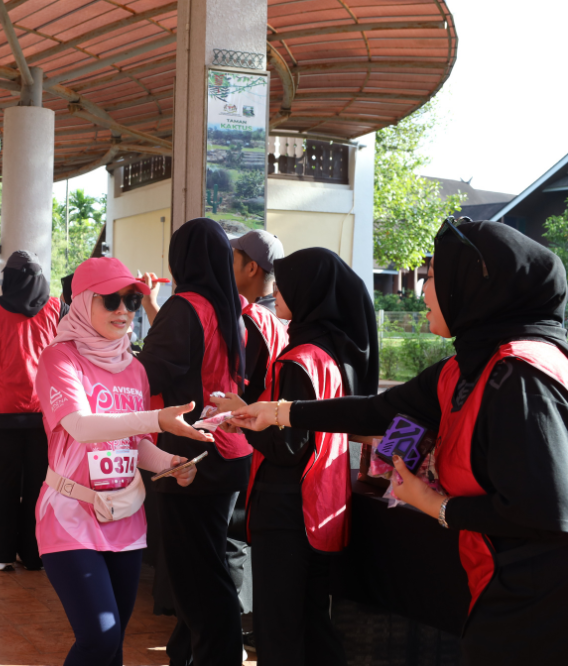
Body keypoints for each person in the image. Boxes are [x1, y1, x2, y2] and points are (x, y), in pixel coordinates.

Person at [228, 221, 568, 666]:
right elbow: (379, 410)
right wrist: (278, 413)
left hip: (540, 595)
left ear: (473, 285)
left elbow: (543, 510)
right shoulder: (467, 365)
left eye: (433, 276)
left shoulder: (519, 375)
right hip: (499, 578)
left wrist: (435, 505)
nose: (422, 290)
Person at [34, 256, 206, 666]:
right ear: (83, 302)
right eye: (111, 300)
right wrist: (157, 418)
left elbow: (135, 442)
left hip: (126, 518)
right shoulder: (60, 358)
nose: (124, 310)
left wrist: (169, 462)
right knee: (99, 638)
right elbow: (80, 426)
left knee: (113, 647)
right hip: (69, 515)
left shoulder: (135, 369)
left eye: (132, 300)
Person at [214, 247, 378, 666]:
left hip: (286, 507)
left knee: (279, 628)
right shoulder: (334, 352)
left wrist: (245, 421)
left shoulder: (299, 360)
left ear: (308, 292)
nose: (276, 292)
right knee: (313, 622)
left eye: (285, 286)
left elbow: (287, 446)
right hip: (323, 504)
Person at [134, 218, 248, 665]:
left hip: (192, 455)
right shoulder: (228, 307)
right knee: (204, 567)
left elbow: (151, 375)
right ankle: (185, 654)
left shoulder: (185, 307)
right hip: (228, 450)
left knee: (197, 577)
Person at [0, 250, 65, 571]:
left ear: (8, 279)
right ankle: (34, 554)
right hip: (45, 414)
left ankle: (3, 554)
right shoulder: (56, 309)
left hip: (2, 413)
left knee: (5, 486)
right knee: (38, 485)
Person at [230, 230, 284, 314]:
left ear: (252, 268)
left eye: (232, 261)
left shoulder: (251, 318)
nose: (228, 266)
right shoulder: (282, 314)